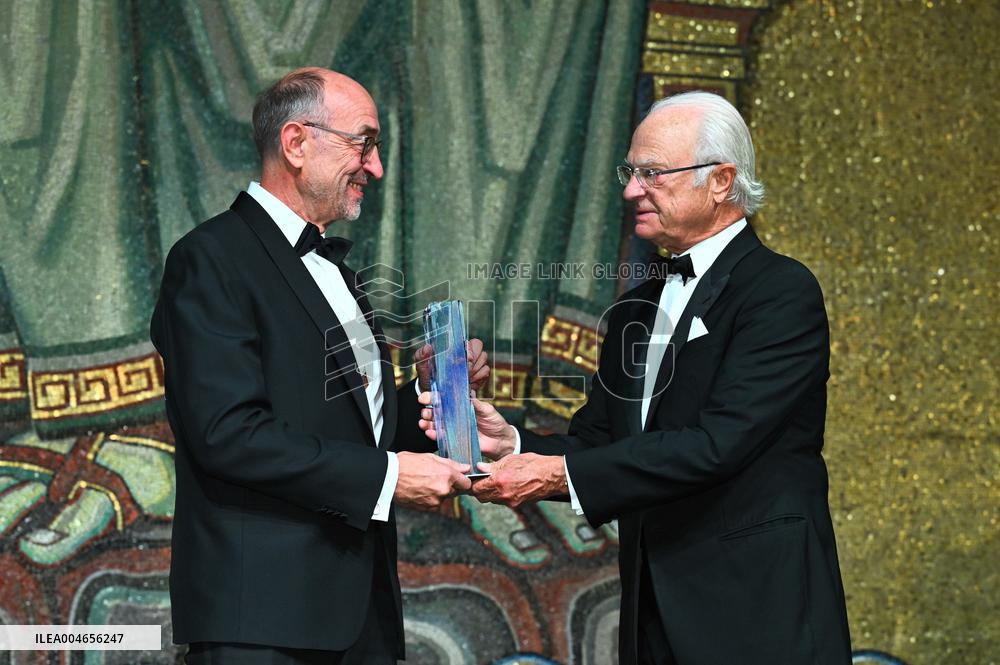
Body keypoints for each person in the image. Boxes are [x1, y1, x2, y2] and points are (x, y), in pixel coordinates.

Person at [422, 91, 852, 664]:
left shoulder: (780, 291)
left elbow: (716, 446)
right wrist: (514, 444)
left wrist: (556, 474)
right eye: (631, 172)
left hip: (757, 615)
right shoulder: (635, 309)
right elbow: (601, 443)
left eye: (652, 173)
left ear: (721, 180)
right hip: (651, 614)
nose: (630, 191)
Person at [151, 67, 487, 665]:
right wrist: (387, 479)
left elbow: (352, 428)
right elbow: (226, 434)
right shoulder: (210, 259)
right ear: (297, 143)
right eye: (363, 143)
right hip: (262, 623)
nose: (375, 167)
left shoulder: (340, 273)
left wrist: (430, 394)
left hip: (364, 614)